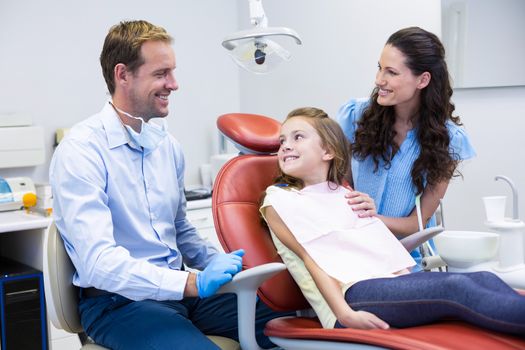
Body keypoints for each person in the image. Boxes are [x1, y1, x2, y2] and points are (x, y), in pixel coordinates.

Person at [50, 20, 289, 350]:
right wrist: (192, 282)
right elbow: (99, 265)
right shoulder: (81, 151)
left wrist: (230, 266)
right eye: (161, 74)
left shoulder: (166, 145)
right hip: (118, 303)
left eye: (173, 72)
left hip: (181, 291)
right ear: (123, 75)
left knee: (292, 326)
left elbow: (180, 230)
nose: (174, 84)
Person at [260, 107, 525, 334]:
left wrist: (408, 280)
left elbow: (381, 252)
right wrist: (344, 314)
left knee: (481, 278)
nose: (285, 146)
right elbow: (312, 258)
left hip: (386, 283)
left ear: (328, 151)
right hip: (353, 295)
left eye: (298, 137)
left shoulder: (346, 195)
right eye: (282, 140)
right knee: (457, 287)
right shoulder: (281, 200)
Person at [336, 27, 476, 268]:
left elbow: (417, 224)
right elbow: (339, 186)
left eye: (391, 72)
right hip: (352, 250)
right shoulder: (355, 115)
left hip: (407, 257)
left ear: (423, 79)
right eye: (379, 68)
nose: (379, 80)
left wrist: (372, 219)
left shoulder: (448, 138)